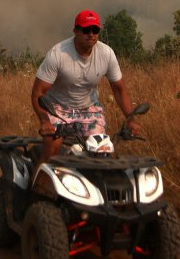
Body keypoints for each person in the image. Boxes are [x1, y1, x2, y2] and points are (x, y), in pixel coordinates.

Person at [31, 9, 142, 164]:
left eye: (95, 30)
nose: (91, 34)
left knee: (102, 152)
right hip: (57, 109)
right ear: (76, 31)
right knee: (52, 153)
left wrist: (131, 119)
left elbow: (119, 89)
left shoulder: (106, 54)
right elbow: (38, 92)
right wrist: (44, 120)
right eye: (86, 30)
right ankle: (37, 186)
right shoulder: (58, 54)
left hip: (89, 109)